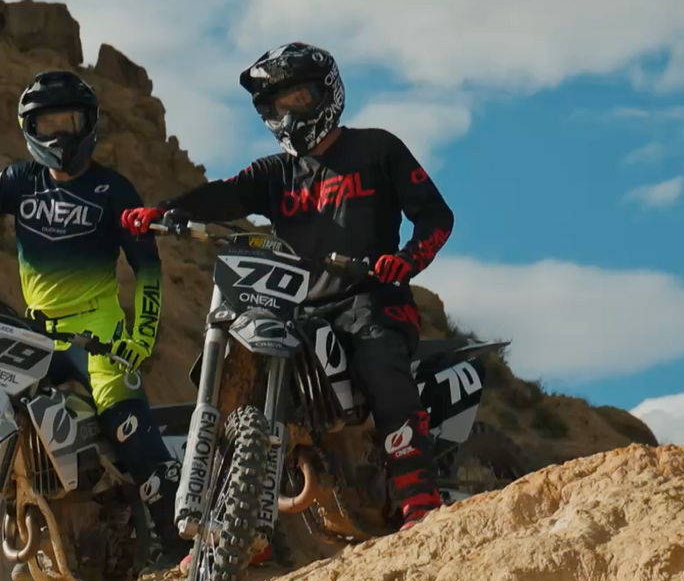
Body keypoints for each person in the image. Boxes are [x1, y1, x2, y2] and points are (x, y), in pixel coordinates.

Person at [121, 42, 455, 528]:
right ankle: (237, 531)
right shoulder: (276, 173)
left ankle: (418, 494)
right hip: (297, 309)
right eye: (278, 104)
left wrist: (405, 261)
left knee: (380, 358)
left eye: (298, 98)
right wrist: (165, 211)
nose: (288, 112)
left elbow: (436, 216)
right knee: (246, 388)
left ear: (326, 94)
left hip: (371, 299)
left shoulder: (377, 148)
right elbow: (226, 194)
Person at [0, 70, 181, 544]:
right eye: (47, 125)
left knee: (131, 432)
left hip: (99, 333)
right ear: (30, 129)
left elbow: (147, 266)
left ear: (89, 124)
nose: (59, 135)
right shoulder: (17, 180)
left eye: (69, 121)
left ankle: (181, 547)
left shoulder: (115, 190)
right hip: (34, 332)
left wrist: (142, 335)